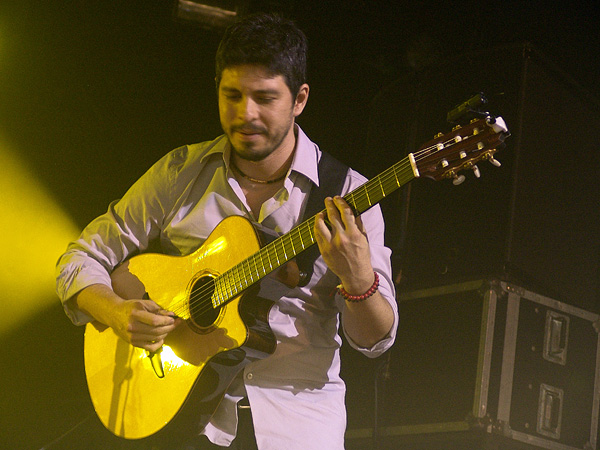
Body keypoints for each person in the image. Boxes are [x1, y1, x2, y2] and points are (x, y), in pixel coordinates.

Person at [55, 12, 398, 450]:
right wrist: (117, 314)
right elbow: (78, 259)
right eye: (231, 95)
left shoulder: (349, 194)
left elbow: (375, 342)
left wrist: (357, 278)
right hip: (181, 418)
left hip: (297, 425)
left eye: (264, 98)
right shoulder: (180, 171)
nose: (245, 114)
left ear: (300, 99)